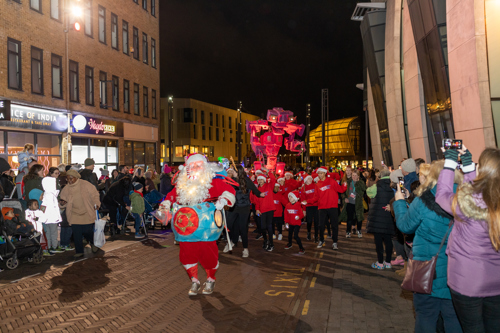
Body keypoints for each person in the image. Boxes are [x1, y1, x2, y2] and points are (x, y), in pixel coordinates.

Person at [436, 146, 500, 332]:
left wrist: (449, 163)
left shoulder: (466, 205)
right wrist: (469, 167)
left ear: (483, 170)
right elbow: (484, 192)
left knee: (472, 328)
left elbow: (443, 195)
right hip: (496, 281)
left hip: (467, 281)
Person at [394, 160, 463, 332]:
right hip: (457, 273)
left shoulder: (423, 200)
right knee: (454, 318)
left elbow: (404, 226)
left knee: (425, 316)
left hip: (426, 272)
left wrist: (400, 202)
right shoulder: (468, 201)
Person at [160, 153, 236, 296]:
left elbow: (229, 190)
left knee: (208, 253)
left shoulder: (212, 181)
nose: (194, 168)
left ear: (204, 166)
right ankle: (194, 280)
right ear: (187, 168)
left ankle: (210, 278)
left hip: (206, 226)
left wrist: (224, 199)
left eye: (198, 165)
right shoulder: (182, 183)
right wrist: (166, 203)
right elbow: (172, 195)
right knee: (186, 253)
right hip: (185, 227)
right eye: (191, 165)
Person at [59, 169, 101, 258]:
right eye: (68, 179)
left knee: (87, 231)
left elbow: (95, 195)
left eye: (71, 178)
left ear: (76, 178)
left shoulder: (86, 185)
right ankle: (79, 251)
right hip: (74, 214)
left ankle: (93, 243)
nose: (69, 181)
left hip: (86, 212)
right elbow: (63, 200)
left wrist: (96, 203)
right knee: (77, 233)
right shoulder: (66, 189)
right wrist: (62, 203)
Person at [224, 165, 263, 257]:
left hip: (244, 208)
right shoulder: (231, 180)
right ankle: (231, 242)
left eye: (233, 171)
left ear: (238, 172)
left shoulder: (247, 181)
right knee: (229, 226)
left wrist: (261, 194)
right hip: (233, 207)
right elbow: (226, 190)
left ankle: (245, 249)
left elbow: (255, 190)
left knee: (243, 228)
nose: (232, 172)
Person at [366, 168, 394, 269]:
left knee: (378, 241)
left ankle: (380, 262)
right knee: (388, 240)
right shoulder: (394, 186)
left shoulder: (376, 186)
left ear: (380, 176)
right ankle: (388, 262)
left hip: (377, 217)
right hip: (389, 216)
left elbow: (369, 193)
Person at [314, 166, 347, 250]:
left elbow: (341, 190)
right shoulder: (317, 184)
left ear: (325, 173)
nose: (320, 175)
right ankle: (321, 240)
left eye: (321, 173)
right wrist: (308, 201)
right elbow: (316, 197)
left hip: (332, 207)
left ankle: (335, 242)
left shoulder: (332, 181)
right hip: (322, 207)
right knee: (321, 225)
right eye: (318, 173)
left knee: (334, 225)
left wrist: (345, 185)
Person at [339, 169, 367, 238]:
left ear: (358, 176)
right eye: (353, 175)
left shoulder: (361, 182)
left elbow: (364, 189)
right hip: (350, 203)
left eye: (355, 175)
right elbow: (343, 192)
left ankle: (359, 230)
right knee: (349, 218)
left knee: (359, 218)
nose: (354, 177)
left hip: (358, 203)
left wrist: (359, 182)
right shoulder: (348, 182)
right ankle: (348, 232)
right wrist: (344, 198)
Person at [40, 177, 64, 254]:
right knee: (54, 233)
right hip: (52, 217)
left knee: (48, 233)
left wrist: (41, 214)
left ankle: (49, 246)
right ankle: (54, 246)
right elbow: (55, 207)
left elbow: (43, 206)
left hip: (47, 218)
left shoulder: (46, 194)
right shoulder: (51, 195)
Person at [254, 168, 277, 252]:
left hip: (270, 209)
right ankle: (265, 240)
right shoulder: (257, 190)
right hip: (262, 210)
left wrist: (268, 171)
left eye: (261, 179)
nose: (260, 181)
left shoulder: (269, 185)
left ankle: (271, 244)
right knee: (263, 227)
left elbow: (273, 179)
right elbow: (256, 201)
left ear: (264, 180)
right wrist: (257, 209)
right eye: (258, 179)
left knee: (269, 227)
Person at [300, 174, 319, 242]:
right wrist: (304, 210)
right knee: (309, 221)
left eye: (311, 179)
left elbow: (317, 197)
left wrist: (308, 201)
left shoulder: (315, 186)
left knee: (317, 221)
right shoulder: (303, 188)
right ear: (305, 181)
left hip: (316, 205)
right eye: (308, 179)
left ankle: (316, 235)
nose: (310, 180)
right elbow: (303, 200)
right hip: (308, 207)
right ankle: (309, 233)